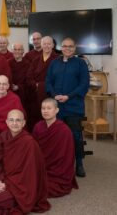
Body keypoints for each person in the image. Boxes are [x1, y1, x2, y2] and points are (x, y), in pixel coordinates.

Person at [0, 110, 50, 215]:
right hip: (4, 178)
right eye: (11, 120)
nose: (14, 123)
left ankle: (12, 200)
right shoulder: (3, 137)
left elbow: (29, 173)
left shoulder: (29, 143)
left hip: (20, 185)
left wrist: (7, 185)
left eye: (18, 120)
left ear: (23, 123)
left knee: (0, 199)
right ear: (7, 122)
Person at [46, 37, 89, 177]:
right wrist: (54, 94)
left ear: (74, 48)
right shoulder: (54, 63)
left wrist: (68, 96)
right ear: (61, 47)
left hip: (73, 106)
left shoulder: (81, 63)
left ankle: (79, 164)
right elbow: (48, 81)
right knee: (57, 136)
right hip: (56, 106)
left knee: (75, 136)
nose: (67, 48)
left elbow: (84, 84)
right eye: (65, 46)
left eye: (70, 46)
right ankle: (59, 163)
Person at [33, 98, 78, 197]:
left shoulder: (64, 130)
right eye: (43, 108)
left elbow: (68, 157)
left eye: (49, 108)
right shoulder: (38, 127)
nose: (45, 111)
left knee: (37, 187)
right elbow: (34, 150)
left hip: (57, 171)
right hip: (41, 166)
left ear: (56, 110)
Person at [26, 36, 57, 131]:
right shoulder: (36, 59)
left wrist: (44, 86)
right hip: (36, 93)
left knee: (50, 118)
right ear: (41, 45)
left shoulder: (57, 59)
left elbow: (59, 78)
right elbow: (29, 76)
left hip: (51, 93)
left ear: (53, 45)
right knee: (36, 117)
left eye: (49, 44)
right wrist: (36, 85)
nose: (46, 46)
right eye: (44, 44)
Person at [8, 43, 29, 108]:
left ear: (23, 51)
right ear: (12, 51)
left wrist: (19, 87)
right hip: (10, 92)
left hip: (23, 94)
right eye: (15, 49)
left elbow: (29, 80)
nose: (17, 51)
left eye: (19, 49)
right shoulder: (7, 63)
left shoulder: (28, 64)